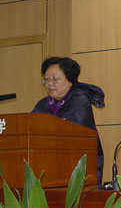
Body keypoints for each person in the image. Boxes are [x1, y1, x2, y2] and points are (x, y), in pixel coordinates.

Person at [32, 56, 105, 184]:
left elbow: (75, 133)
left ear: (70, 80)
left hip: (77, 165)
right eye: (46, 79)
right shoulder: (42, 104)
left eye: (55, 79)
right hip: (48, 166)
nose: (50, 83)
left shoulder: (79, 100)